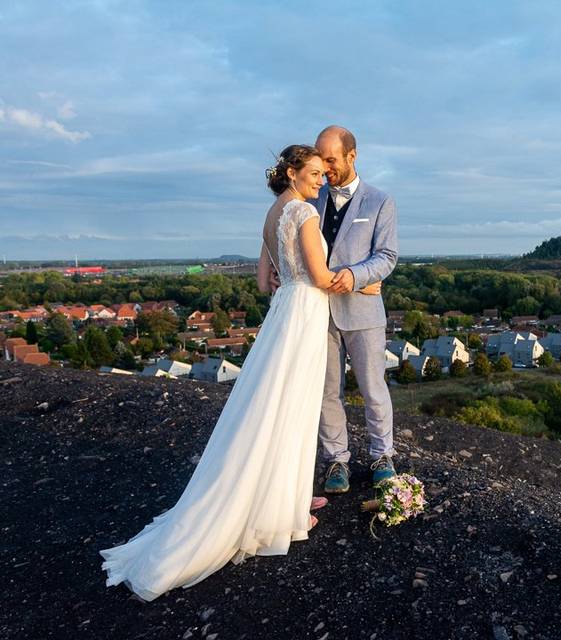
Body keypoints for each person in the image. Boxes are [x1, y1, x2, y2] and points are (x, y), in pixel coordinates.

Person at [99, 144, 380, 601]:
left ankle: (284, 497)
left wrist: (296, 283)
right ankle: (281, 509)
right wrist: (365, 279)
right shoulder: (305, 215)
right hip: (306, 314)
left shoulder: (273, 215)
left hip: (284, 312)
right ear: (292, 171)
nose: (320, 180)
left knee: (274, 405)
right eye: (313, 172)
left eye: (323, 174)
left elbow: (263, 281)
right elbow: (324, 277)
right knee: (293, 407)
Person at [273, 125, 399, 494]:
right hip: (317, 312)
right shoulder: (309, 200)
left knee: (373, 387)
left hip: (362, 310)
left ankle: (382, 455)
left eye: (330, 159)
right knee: (328, 390)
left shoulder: (380, 201)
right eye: (320, 160)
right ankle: (336, 461)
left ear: (351, 156)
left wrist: (357, 276)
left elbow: (387, 256)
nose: (325, 168)